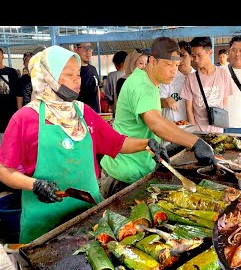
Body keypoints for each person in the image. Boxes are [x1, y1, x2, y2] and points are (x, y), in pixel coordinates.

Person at [0, 45, 167, 243]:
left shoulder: (84, 113)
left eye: (78, 74)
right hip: (44, 222)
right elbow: (4, 170)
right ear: (47, 76)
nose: (77, 79)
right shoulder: (25, 118)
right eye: (69, 74)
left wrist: (148, 144)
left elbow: (117, 143)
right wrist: (34, 185)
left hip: (87, 214)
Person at [100, 37, 217, 199]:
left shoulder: (147, 79)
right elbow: (155, 122)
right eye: (168, 64)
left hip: (138, 165)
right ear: (153, 61)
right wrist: (195, 142)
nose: (173, 71)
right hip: (123, 173)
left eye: (176, 65)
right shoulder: (142, 86)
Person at [181, 37, 233, 133]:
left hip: (218, 131)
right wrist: (194, 133)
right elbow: (189, 109)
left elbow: (224, 102)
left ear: (210, 52)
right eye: (193, 56)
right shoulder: (191, 78)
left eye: (199, 55)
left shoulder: (223, 74)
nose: (196, 60)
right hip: (199, 131)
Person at [160, 41, 194, 122]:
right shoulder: (168, 77)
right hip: (173, 126)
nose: (179, 60)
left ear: (191, 56)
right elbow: (158, 102)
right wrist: (166, 101)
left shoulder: (198, 77)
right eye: (177, 57)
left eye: (183, 55)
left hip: (195, 126)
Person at [0, 47, 21, 146]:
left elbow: (18, 93)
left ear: (2, 56)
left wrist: (19, 110)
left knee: (11, 139)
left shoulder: (11, 72)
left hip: (10, 111)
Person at [75, 43, 101, 113]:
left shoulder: (93, 69)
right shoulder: (74, 71)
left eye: (90, 48)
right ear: (76, 50)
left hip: (95, 113)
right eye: (84, 48)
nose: (88, 52)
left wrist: (99, 109)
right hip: (81, 114)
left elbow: (97, 89)